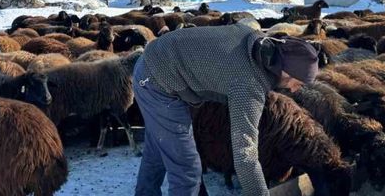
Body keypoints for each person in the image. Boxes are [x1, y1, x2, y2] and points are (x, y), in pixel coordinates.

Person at [132, 22, 320, 196]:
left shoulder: (254, 39)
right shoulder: (248, 85)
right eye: (299, 82)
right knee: (187, 169)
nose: (295, 89)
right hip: (157, 81)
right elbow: (244, 155)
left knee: (157, 150)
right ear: (286, 71)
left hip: (154, 61)